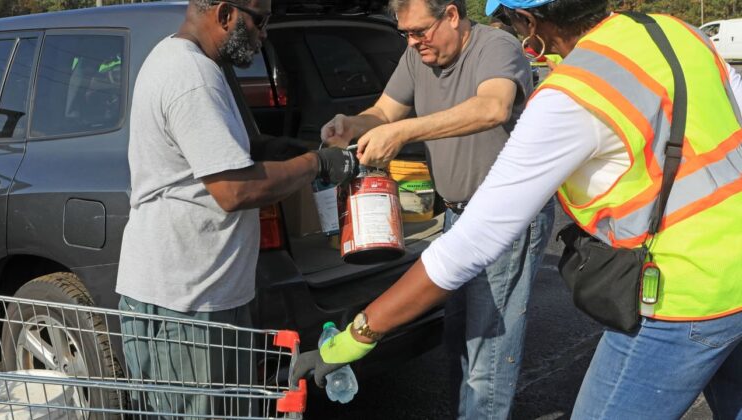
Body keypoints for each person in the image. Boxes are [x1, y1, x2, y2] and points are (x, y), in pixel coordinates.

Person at [294, 0, 742, 417]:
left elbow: (469, 244)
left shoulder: (572, 95)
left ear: (529, 25)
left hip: (684, 295)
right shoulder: (675, 31)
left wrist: (353, 339)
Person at [114, 0, 357, 415]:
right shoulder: (191, 77)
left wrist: (298, 150)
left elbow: (238, 149)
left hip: (202, 294)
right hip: (186, 302)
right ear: (225, 13)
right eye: (259, 21)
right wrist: (315, 164)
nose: (264, 35)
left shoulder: (199, 64)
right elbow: (233, 189)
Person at [319, 0, 554, 417]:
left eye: (419, 31)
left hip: (506, 217)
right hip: (458, 215)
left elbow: (492, 107)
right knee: (458, 340)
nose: (413, 43)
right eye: (405, 34)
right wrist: (351, 124)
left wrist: (404, 130)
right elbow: (383, 112)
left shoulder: (496, 46)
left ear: (450, 14)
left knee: (487, 352)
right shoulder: (417, 56)